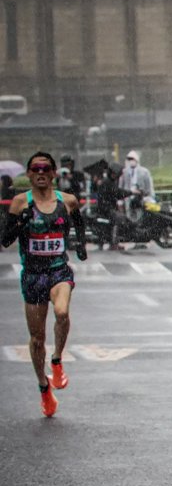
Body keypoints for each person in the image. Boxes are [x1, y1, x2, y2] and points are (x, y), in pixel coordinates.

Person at [2, 152, 87, 417]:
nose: (41, 172)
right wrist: (21, 223)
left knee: (62, 313)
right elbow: (5, 240)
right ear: (28, 174)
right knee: (37, 339)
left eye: (45, 168)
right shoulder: (19, 202)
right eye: (35, 168)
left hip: (58, 271)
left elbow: (79, 223)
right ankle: (43, 387)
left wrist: (81, 246)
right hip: (33, 275)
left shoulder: (68, 200)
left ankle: (58, 360)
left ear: (52, 173)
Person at [118, 150, 154, 229]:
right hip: (128, 197)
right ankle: (131, 230)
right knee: (128, 215)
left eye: (133, 159)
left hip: (140, 197)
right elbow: (121, 186)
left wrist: (149, 196)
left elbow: (149, 186)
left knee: (139, 214)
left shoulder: (144, 172)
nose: (131, 162)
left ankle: (139, 230)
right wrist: (120, 199)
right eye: (129, 160)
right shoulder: (124, 172)